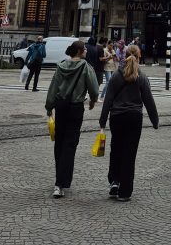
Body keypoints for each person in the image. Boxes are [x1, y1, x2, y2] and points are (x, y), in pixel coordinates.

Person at [99, 43, 159, 202]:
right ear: (139, 57)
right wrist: (155, 120)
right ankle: (125, 192)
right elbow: (149, 100)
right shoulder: (141, 76)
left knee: (116, 149)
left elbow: (108, 99)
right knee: (129, 153)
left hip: (117, 117)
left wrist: (102, 121)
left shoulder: (116, 75)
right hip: (134, 117)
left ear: (124, 56)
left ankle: (114, 181)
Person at [45, 39, 99, 198]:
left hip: (61, 106)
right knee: (70, 144)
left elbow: (53, 87)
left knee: (60, 142)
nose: (87, 51)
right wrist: (93, 100)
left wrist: (49, 107)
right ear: (80, 52)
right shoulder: (85, 67)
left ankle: (58, 181)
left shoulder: (61, 66)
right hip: (75, 108)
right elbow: (94, 88)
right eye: (85, 49)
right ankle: (61, 183)